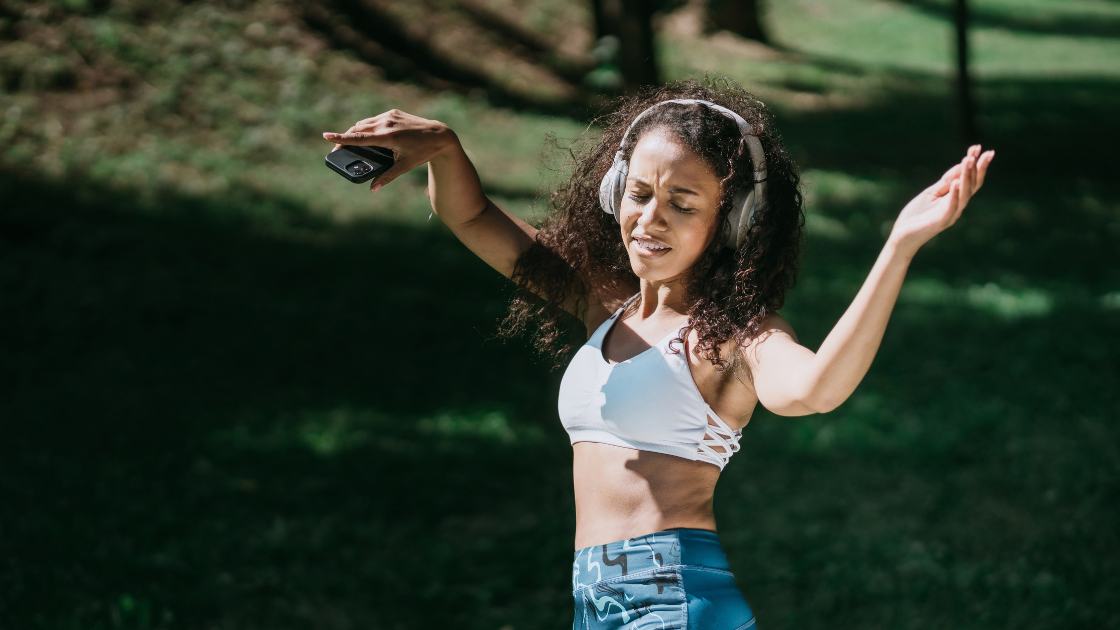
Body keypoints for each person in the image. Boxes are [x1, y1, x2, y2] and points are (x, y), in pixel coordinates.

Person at [323, 77, 994, 630]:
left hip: (672, 603)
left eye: (683, 202)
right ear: (615, 191)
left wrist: (898, 248)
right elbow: (473, 220)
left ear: (731, 221)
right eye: (640, 194)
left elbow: (816, 388)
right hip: (601, 603)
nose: (651, 218)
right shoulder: (602, 302)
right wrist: (443, 147)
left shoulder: (731, 336)